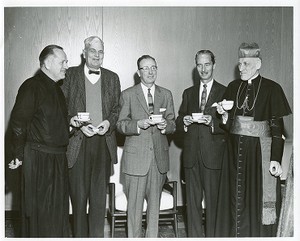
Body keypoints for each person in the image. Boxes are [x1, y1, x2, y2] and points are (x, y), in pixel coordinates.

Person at [215, 42, 292, 237]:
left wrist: (275, 158)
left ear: (258, 64)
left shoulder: (272, 88)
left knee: (255, 201)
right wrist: (223, 115)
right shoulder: (233, 87)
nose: (241, 68)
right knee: (234, 200)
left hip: (259, 155)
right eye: (239, 64)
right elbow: (228, 125)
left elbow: (277, 128)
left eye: (246, 64)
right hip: (234, 154)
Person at [61, 36, 121, 237]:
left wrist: (108, 123)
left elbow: (116, 109)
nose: (97, 55)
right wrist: (75, 123)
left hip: (103, 144)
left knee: (98, 201)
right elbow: (61, 107)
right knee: (78, 201)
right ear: (84, 53)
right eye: (93, 51)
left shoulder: (113, 78)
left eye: (100, 51)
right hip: (78, 143)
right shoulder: (69, 75)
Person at [8, 45, 70, 237]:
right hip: (39, 160)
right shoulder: (31, 86)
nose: (66, 66)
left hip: (58, 159)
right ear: (48, 63)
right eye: (63, 62)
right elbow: (18, 123)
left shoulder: (57, 89)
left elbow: (51, 122)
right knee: (41, 214)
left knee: (57, 214)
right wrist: (18, 155)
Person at [117, 55, 176, 238]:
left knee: (154, 210)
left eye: (153, 68)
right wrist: (137, 125)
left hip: (158, 160)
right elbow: (120, 124)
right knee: (134, 210)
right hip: (135, 161)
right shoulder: (127, 94)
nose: (150, 72)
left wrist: (167, 126)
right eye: (146, 68)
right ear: (138, 72)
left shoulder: (165, 94)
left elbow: (173, 122)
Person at [175, 50, 226, 237]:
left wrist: (212, 122)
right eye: (199, 65)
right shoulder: (188, 93)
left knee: (213, 205)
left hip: (213, 158)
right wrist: (185, 122)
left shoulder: (225, 91)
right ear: (195, 67)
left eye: (207, 64)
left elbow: (230, 124)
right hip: (190, 157)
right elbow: (179, 120)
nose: (203, 69)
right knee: (192, 206)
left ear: (214, 65)